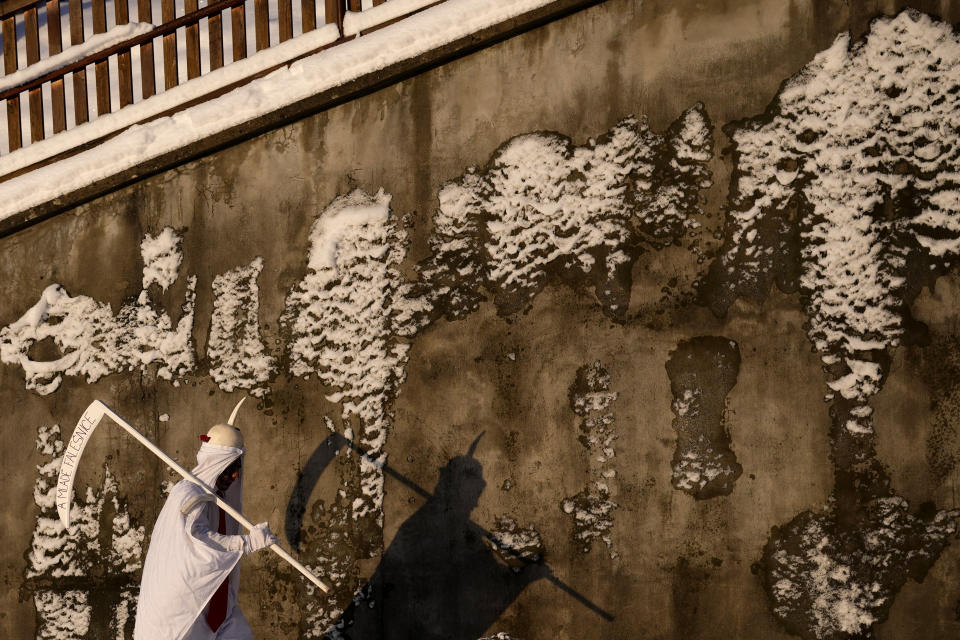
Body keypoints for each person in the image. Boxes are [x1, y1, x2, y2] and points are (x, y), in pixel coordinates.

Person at [134, 399, 279, 640]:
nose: (235, 475)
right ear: (216, 463)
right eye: (230, 467)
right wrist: (246, 543)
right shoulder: (188, 495)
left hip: (217, 605)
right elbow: (197, 542)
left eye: (238, 467)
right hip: (186, 614)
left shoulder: (216, 498)